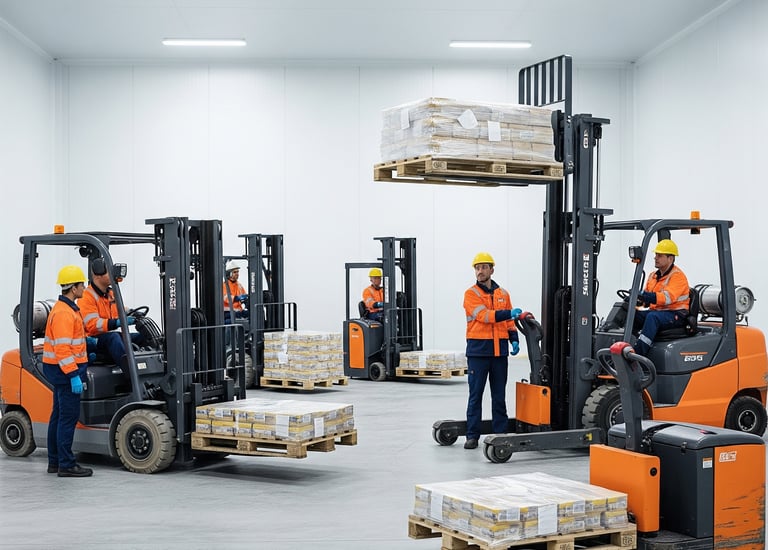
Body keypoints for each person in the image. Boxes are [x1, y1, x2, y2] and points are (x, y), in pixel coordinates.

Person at [463, 252, 521, 450]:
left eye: (483, 267)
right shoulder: (471, 294)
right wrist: (508, 313)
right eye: (477, 268)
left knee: (499, 396)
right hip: (478, 353)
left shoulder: (503, 294)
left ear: (491, 270)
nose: (480, 271)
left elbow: (509, 322)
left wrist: (514, 340)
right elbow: (485, 316)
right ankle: (472, 435)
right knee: (475, 396)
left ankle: (500, 434)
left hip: (499, 353)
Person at [42, 265, 93, 477]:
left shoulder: (68, 309)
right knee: (67, 418)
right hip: (65, 372)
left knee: (58, 416)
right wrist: (73, 375)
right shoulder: (64, 313)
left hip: (60, 369)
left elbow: (71, 343)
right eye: (82, 285)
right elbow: (63, 349)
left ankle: (54, 462)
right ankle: (66, 464)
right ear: (74, 288)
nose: (85, 288)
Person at [633, 239, 690, 356]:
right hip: (659, 312)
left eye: (660, 255)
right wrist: (636, 300)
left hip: (676, 314)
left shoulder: (678, 276)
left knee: (652, 317)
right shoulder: (653, 276)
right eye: (656, 255)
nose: (655, 258)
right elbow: (646, 299)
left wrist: (645, 296)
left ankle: (638, 354)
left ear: (670, 258)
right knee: (632, 314)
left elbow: (666, 298)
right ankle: (626, 344)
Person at [79, 257, 138, 365]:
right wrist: (116, 323)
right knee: (114, 337)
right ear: (98, 275)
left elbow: (118, 311)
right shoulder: (86, 297)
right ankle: (130, 370)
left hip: (108, 336)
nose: (113, 274)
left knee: (140, 337)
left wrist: (132, 312)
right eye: (109, 271)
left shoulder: (110, 294)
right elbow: (92, 325)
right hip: (93, 339)